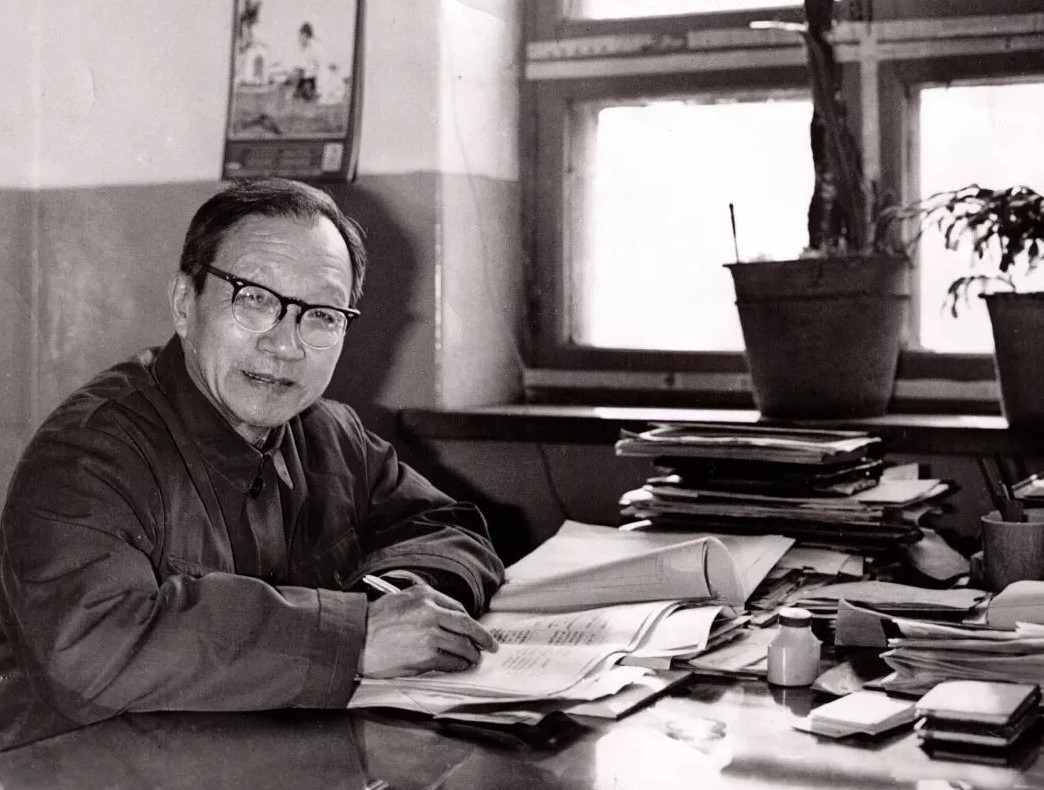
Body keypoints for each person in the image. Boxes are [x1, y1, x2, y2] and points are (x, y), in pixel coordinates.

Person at [0, 178, 505, 730]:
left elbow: (448, 527)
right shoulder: (91, 453)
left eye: (322, 314)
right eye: (254, 299)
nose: (285, 345)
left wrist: (392, 602)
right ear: (184, 304)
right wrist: (353, 636)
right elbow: (86, 648)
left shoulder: (330, 433)